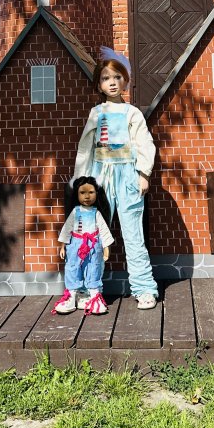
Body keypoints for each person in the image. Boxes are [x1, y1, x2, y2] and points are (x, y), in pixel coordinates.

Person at [71, 47, 160, 310]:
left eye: (117, 77)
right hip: (99, 176)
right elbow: (85, 147)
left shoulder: (132, 113)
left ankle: (144, 288)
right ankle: (89, 288)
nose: (112, 82)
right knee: (92, 232)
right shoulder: (96, 114)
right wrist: (81, 179)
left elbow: (145, 143)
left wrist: (144, 173)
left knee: (133, 234)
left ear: (125, 81)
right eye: (106, 78)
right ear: (99, 85)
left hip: (127, 175)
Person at [53, 176, 113, 315]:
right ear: (77, 194)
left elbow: (103, 230)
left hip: (93, 246)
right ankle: (71, 297)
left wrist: (106, 247)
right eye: (82, 192)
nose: (87, 196)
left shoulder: (96, 213)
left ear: (96, 194)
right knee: (72, 268)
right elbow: (67, 228)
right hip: (75, 246)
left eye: (91, 192)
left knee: (93, 268)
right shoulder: (75, 212)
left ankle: (94, 298)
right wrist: (63, 246)